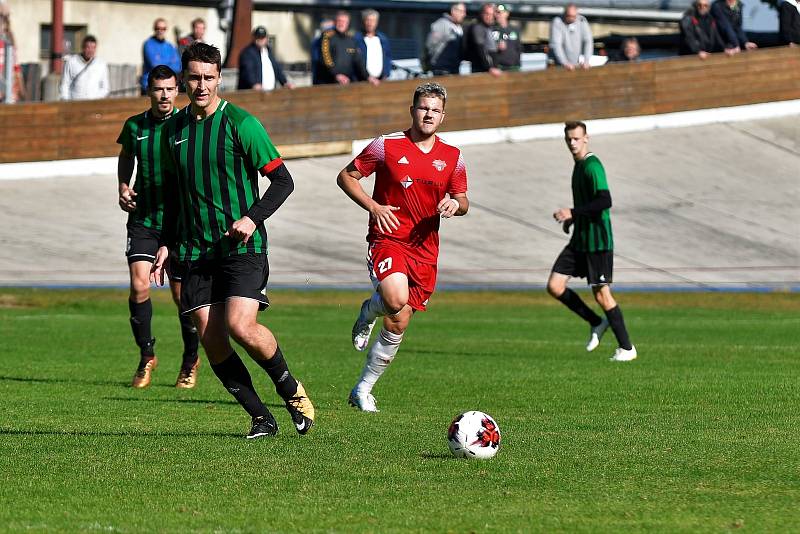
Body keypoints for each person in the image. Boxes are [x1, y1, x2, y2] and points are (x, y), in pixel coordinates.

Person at [152, 42, 314, 439]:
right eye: (194, 77)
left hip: (242, 247)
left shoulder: (242, 124)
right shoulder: (172, 130)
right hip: (193, 251)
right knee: (213, 340)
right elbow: (174, 195)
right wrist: (165, 242)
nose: (201, 85)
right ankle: (261, 418)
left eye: (208, 78)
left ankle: (290, 389)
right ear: (184, 80)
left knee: (242, 327)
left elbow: (283, 181)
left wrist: (250, 217)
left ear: (220, 78)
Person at [337, 82, 469, 412]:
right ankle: (369, 312)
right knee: (395, 300)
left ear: (443, 116)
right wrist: (373, 207)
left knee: (399, 320)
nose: (428, 114)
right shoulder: (387, 145)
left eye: (435, 110)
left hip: (425, 249)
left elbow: (464, 199)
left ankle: (363, 389)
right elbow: (347, 177)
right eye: (423, 107)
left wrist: (455, 204)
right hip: (388, 239)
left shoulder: (452, 156)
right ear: (412, 110)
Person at [116, 65, 200, 389]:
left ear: (177, 90)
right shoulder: (135, 125)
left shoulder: (187, 124)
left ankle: (190, 358)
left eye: (169, 89)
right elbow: (126, 156)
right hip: (143, 219)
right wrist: (123, 187)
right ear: (148, 91)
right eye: (157, 89)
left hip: (179, 221)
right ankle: (147, 355)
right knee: (139, 286)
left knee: (182, 296)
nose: (164, 95)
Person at [547, 121, 636, 362]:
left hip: (598, 241)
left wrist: (573, 213)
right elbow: (588, 205)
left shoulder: (592, 166)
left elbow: (605, 201)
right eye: (569, 139)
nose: (572, 143)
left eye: (576, 138)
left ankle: (627, 348)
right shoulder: (578, 167)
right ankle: (597, 322)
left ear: (586, 138)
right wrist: (573, 220)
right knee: (555, 285)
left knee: (602, 295)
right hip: (581, 239)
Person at [315, 11, 369, 85]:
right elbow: (325, 57)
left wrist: (368, 77)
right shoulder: (327, 36)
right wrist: (336, 74)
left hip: (346, 82)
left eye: (344, 21)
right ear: (335, 22)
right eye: (339, 21)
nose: (342, 24)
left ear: (348, 23)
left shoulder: (351, 40)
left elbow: (358, 60)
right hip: (327, 82)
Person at [237, 26, 294, 91]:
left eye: (262, 37)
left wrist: (285, 82)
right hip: (254, 93)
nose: (260, 40)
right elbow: (247, 71)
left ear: (266, 38)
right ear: (254, 38)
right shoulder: (248, 53)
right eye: (258, 37)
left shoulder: (268, 51)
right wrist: (254, 84)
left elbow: (277, 69)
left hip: (270, 92)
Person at [59, 35, 109, 100]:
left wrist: (96, 98)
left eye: (93, 48)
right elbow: (64, 83)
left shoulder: (101, 64)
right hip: (75, 103)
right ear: (82, 47)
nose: (90, 50)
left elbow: (105, 87)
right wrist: (66, 100)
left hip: (94, 104)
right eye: (88, 47)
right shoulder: (71, 62)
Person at [141, 18, 182, 95]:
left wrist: (161, 61)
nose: (160, 31)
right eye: (158, 28)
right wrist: (170, 62)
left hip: (167, 86)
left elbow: (178, 66)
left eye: (163, 28)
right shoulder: (148, 44)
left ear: (166, 29)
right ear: (154, 29)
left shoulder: (170, 46)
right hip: (150, 87)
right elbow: (155, 65)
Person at [425, 3, 466, 75]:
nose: (464, 15)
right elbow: (430, 45)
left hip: (454, 69)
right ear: (453, 11)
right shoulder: (442, 24)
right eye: (462, 11)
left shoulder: (458, 28)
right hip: (441, 70)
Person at [549, 4, 594, 70]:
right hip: (558, 64)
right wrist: (565, 62)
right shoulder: (557, 22)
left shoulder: (582, 20)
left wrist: (586, 60)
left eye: (574, 16)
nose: (571, 19)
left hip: (575, 63)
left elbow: (588, 41)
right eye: (569, 16)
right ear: (564, 14)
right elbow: (557, 45)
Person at [354, 9, 392, 85]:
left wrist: (386, 74)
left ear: (376, 22)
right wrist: (367, 76)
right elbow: (355, 61)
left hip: (381, 81)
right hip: (362, 81)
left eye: (373, 21)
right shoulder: (356, 39)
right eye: (368, 20)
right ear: (363, 21)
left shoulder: (383, 39)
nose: (370, 23)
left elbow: (388, 57)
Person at [465, 3, 502, 76]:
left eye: (491, 14)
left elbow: (491, 49)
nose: (489, 17)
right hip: (481, 71)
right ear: (481, 14)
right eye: (486, 14)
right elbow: (480, 50)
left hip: (490, 71)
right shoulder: (478, 28)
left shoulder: (489, 28)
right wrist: (489, 68)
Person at [490, 4, 522, 71]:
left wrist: (518, 64)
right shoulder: (491, 30)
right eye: (496, 12)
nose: (498, 15)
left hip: (514, 67)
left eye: (500, 12)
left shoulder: (515, 30)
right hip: (498, 67)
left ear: (507, 14)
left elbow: (519, 48)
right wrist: (496, 47)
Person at [310, 17, 334, 85]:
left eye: (331, 29)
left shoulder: (336, 41)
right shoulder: (316, 43)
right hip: (321, 78)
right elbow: (316, 61)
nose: (329, 32)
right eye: (327, 30)